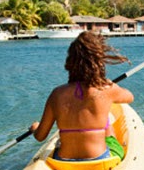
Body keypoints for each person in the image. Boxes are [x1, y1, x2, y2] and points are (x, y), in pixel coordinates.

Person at [30, 31, 134, 161]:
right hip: (99, 160)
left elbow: (40, 136)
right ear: (99, 61)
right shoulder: (107, 88)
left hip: (64, 163)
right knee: (105, 120)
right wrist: (108, 85)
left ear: (70, 61)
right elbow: (129, 97)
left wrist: (35, 128)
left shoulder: (56, 94)